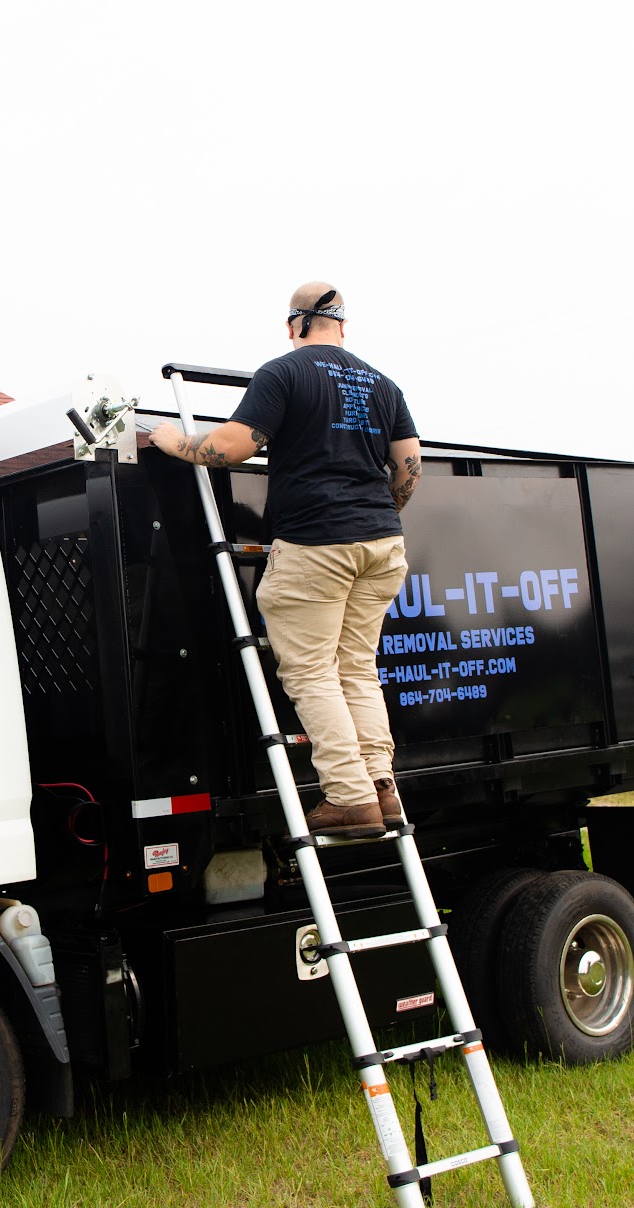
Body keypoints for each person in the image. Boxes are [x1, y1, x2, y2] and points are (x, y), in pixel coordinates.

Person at [149, 282, 423, 839]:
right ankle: (381, 788)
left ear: (295, 325)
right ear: (342, 327)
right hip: (383, 544)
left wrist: (172, 440)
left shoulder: (284, 373)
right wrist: (374, 512)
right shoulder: (383, 384)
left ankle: (349, 798)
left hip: (317, 543)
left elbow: (231, 447)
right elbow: (410, 466)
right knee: (356, 670)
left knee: (312, 671)